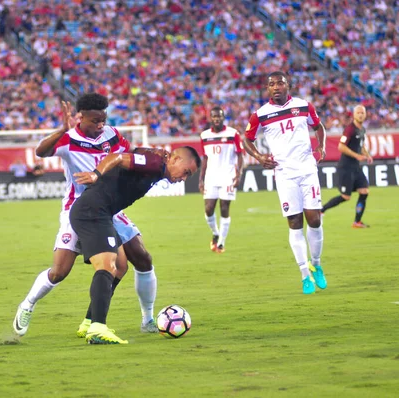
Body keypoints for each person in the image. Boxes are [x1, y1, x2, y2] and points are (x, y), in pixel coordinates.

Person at [13, 93, 160, 338]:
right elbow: (41, 151)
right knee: (60, 271)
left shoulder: (112, 135)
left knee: (136, 260)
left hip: (110, 208)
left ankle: (140, 320)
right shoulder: (68, 140)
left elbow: (128, 156)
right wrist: (61, 129)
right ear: (80, 118)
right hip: (78, 208)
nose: (100, 125)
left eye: (103, 120)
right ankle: (28, 304)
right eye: (95, 121)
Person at [70, 146, 200, 344]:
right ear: (175, 160)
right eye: (186, 172)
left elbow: (134, 155)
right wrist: (96, 174)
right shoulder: (155, 164)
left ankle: (88, 322)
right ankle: (97, 328)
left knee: (121, 266)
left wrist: (146, 149)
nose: (184, 178)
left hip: (102, 213)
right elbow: (118, 157)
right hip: (93, 211)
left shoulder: (155, 165)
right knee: (107, 266)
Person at [243, 71, 327, 295]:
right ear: (268, 89)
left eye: (280, 83)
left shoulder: (303, 106)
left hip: (307, 169)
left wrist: (321, 147)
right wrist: (260, 157)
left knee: (315, 219)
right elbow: (246, 140)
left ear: (287, 85)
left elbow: (318, 127)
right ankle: (304, 274)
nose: (276, 87)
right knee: (294, 222)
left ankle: (316, 263)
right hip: (284, 174)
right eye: (271, 84)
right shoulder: (260, 115)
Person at [198, 107, 244, 253]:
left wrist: (239, 174)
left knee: (224, 208)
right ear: (210, 118)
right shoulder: (204, 136)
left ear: (223, 118)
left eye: (219, 116)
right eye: (214, 117)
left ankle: (222, 242)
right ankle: (216, 233)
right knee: (208, 208)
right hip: (211, 177)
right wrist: (201, 179)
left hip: (227, 176)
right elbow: (205, 158)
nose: (216, 119)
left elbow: (240, 155)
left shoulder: (232, 134)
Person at [321, 105, 373, 227]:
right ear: (354, 115)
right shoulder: (350, 129)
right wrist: (357, 155)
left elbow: (361, 145)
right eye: (358, 113)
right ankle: (321, 210)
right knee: (346, 196)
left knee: (364, 191)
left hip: (356, 167)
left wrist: (367, 155)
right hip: (346, 167)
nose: (360, 115)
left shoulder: (362, 129)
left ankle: (357, 222)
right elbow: (341, 146)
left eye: (362, 113)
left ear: (365, 115)